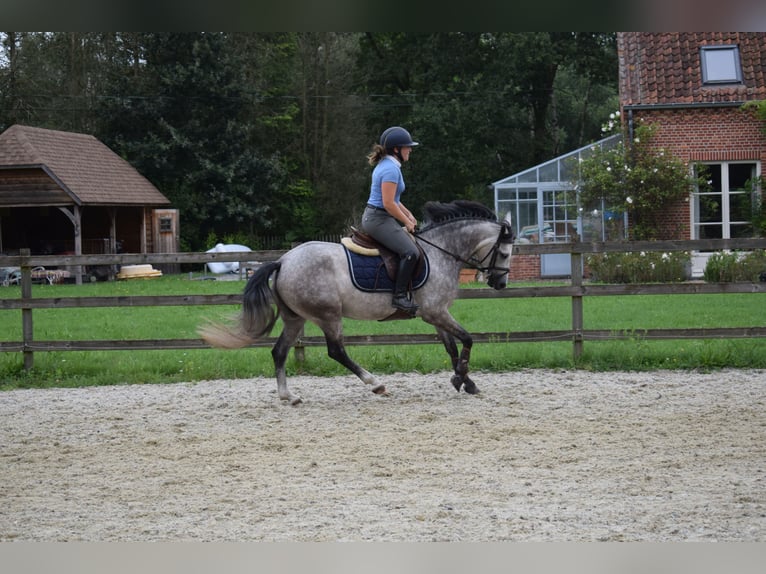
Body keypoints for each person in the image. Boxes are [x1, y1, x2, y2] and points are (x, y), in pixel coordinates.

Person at [360, 126, 420, 314]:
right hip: (378, 218)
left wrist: (408, 214)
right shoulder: (390, 169)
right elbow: (388, 204)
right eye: (407, 147)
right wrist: (407, 223)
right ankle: (399, 297)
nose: (410, 149)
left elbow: (395, 200)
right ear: (396, 149)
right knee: (411, 252)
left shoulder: (390, 166)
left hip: (379, 216)